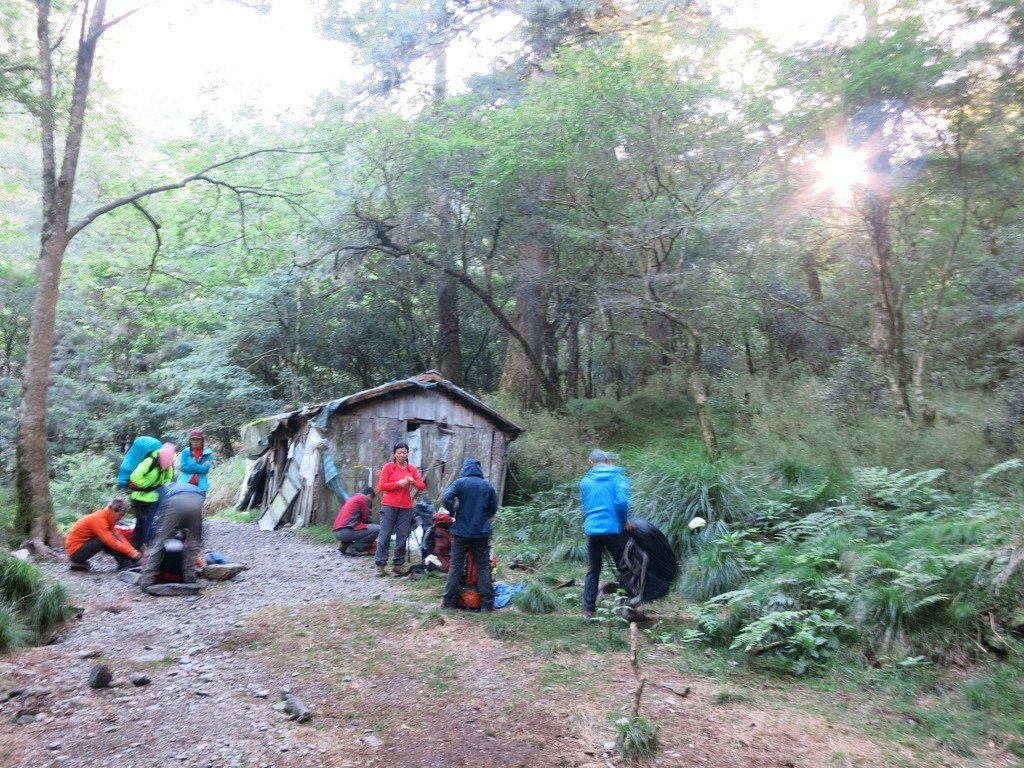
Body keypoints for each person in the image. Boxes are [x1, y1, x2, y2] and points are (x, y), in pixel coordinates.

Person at [580, 449, 634, 621]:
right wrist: (624, 521)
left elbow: (586, 506)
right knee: (624, 569)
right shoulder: (618, 478)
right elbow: (621, 502)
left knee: (593, 569)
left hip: (593, 530)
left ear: (592, 462)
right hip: (613, 529)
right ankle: (625, 609)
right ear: (608, 461)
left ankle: (588, 611)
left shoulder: (585, 481)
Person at [440, 457, 499, 613]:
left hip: (460, 532)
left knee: (455, 565)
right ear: (479, 469)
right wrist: (485, 517)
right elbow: (494, 506)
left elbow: (446, 498)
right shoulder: (487, 485)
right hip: (481, 532)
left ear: (465, 468)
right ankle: (486, 604)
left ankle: (449, 602)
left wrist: (453, 511)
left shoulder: (460, 483)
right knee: (483, 566)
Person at [374, 441, 426, 577]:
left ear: (408, 454)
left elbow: (421, 486)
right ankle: (380, 565)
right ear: (394, 454)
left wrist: (412, 481)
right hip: (389, 505)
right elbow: (382, 486)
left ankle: (398, 565)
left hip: (406, 507)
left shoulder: (412, 469)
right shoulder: (388, 467)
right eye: (399, 453)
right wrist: (398, 484)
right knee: (384, 535)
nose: (402, 455)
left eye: (404, 453)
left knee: (402, 536)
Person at [139, 482, 204, 589]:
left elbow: (155, 519)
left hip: (176, 501)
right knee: (193, 542)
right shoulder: (187, 486)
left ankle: (147, 580)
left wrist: (147, 542)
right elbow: (190, 528)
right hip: (198, 500)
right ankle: (190, 578)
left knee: (160, 540)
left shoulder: (164, 490)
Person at [65, 497, 140, 572]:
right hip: (75, 553)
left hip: (80, 549)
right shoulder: (99, 519)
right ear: (113, 510)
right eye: (120, 515)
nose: (121, 518)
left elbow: (120, 538)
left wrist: (133, 552)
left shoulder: (107, 518)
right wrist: (131, 553)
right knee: (104, 539)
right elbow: (112, 541)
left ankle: (127, 563)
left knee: (111, 538)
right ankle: (124, 564)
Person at [127, 441, 175, 550]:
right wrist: (149, 485)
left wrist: (161, 486)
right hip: (139, 498)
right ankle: (138, 550)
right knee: (141, 525)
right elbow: (134, 477)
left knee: (149, 524)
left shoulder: (168, 463)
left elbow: (168, 478)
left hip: (153, 498)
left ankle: (144, 549)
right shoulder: (150, 461)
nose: (166, 465)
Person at [332, 486, 379, 556]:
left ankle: (344, 546)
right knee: (378, 529)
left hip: (337, 532)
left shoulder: (352, 498)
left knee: (358, 527)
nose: (370, 502)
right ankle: (354, 548)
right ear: (369, 495)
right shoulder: (363, 499)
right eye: (371, 499)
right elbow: (367, 519)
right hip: (346, 532)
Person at [179, 428, 214, 496]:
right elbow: (183, 468)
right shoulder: (185, 452)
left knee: (199, 505)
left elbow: (205, 469)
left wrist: (192, 465)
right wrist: (200, 467)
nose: (195, 441)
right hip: (185, 484)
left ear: (202, 440)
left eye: (198, 439)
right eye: (193, 439)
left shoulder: (207, 453)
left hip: (201, 485)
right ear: (190, 440)